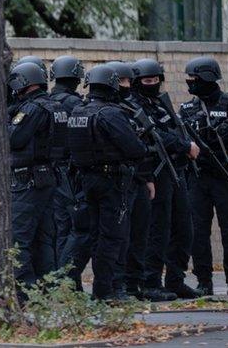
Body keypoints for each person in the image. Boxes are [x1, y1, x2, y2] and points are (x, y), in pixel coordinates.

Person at [66, 65, 148, 300]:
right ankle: (103, 292)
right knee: (111, 237)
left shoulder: (79, 112)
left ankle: (91, 288)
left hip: (86, 181)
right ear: (111, 85)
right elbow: (135, 149)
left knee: (92, 235)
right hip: (111, 182)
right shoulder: (111, 114)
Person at [179, 57, 228, 296]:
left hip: (225, 176)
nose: (190, 84)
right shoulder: (186, 109)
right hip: (198, 178)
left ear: (207, 77)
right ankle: (204, 280)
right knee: (198, 232)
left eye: (194, 79)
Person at [130, 58, 202, 300]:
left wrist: (185, 145)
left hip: (176, 171)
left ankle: (175, 279)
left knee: (184, 229)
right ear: (137, 82)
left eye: (155, 80)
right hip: (155, 172)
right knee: (158, 230)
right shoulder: (134, 107)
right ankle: (151, 282)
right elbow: (157, 135)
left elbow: (173, 130)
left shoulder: (161, 105)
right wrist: (184, 145)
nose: (151, 84)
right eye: (146, 81)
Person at [110, 62, 173, 302]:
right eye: (123, 82)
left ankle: (135, 284)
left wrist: (146, 178)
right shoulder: (114, 110)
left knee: (140, 234)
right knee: (119, 236)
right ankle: (120, 286)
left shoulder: (136, 107)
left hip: (139, 177)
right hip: (119, 181)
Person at [7, 62, 58, 290]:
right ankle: (45, 288)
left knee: (18, 239)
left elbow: (13, 139)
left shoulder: (32, 109)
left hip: (28, 180)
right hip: (46, 177)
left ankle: (25, 290)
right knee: (43, 239)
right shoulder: (53, 105)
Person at [48, 56, 85, 270]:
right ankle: (66, 280)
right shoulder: (74, 104)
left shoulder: (48, 100)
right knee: (73, 227)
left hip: (52, 170)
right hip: (69, 173)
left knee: (57, 227)